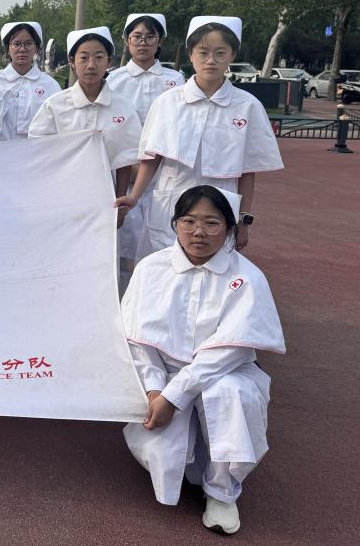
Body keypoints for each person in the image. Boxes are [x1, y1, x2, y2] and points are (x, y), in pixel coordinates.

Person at [121, 184, 284, 535]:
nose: (199, 232)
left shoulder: (247, 276)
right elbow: (137, 340)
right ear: (175, 224)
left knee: (228, 394)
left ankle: (222, 493)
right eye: (189, 221)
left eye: (212, 223)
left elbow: (230, 352)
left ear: (229, 228)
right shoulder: (151, 268)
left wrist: (174, 396)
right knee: (164, 453)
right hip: (163, 375)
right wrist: (154, 389)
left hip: (225, 373)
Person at [115, 17, 283, 258]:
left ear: (232, 55)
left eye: (220, 53)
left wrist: (243, 220)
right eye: (203, 52)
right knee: (161, 267)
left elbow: (247, 170)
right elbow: (152, 158)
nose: (211, 60)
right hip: (170, 203)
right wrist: (134, 197)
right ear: (191, 54)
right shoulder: (168, 102)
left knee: (213, 272)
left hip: (221, 206)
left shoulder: (248, 106)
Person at [107, 14, 186, 284]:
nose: (143, 43)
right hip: (123, 173)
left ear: (159, 41)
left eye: (150, 37)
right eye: (137, 37)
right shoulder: (114, 80)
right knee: (121, 243)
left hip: (163, 175)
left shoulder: (176, 80)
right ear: (127, 41)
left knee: (161, 244)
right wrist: (128, 165)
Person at [28, 27, 142, 198]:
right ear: (72, 62)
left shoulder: (123, 107)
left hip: (105, 196)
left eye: (99, 57)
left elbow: (125, 160)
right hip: (61, 193)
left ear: (109, 61)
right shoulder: (54, 106)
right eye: (83, 58)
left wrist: (120, 200)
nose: (91, 65)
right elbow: (39, 151)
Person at [0, 21, 61, 140]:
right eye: (16, 44)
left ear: (36, 48)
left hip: (37, 150)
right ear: (8, 48)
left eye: (28, 43)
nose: (22, 49)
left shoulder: (50, 85)